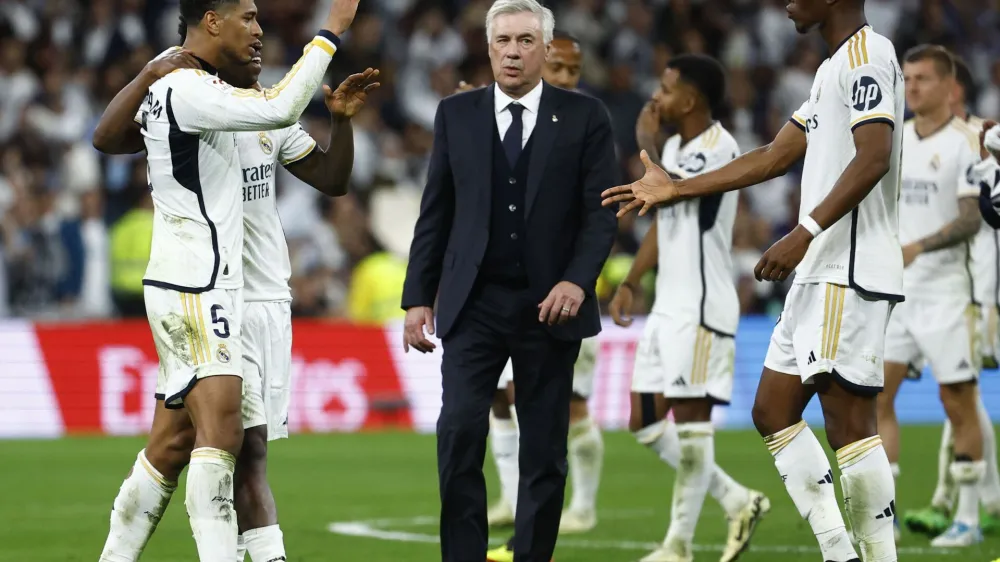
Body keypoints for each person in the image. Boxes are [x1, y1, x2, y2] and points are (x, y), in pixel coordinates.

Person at [603, 1, 904, 560]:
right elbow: (773, 155)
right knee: (771, 409)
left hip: (847, 262)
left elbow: (875, 156)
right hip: (818, 268)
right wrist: (677, 188)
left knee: (848, 421)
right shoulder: (831, 68)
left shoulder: (868, 55)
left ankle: (877, 556)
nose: (787, 2)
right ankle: (839, 552)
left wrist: (805, 229)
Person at [92, 0, 361, 558]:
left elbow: (330, 177)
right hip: (198, 286)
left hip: (242, 291)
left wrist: (341, 120)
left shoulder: (246, 107)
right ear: (212, 21)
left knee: (179, 445)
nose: (260, 32)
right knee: (224, 440)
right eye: (249, 19)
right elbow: (109, 136)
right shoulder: (183, 87)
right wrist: (331, 33)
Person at [400, 0, 617, 559]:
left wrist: (576, 281)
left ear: (546, 49)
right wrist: (416, 297)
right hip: (473, 304)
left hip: (552, 306)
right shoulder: (456, 114)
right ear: (488, 47)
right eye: (503, 41)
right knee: (459, 433)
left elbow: (599, 215)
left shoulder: (586, 116)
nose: (514, 51)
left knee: (544, 452)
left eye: (525, 40)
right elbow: (436, 212)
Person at [609, 55, 770, 562]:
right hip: (668, 310)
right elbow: (663, 215)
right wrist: (633, 279)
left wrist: (644, 139)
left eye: (667, 87)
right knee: (644, 423)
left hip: (702, 309)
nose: (657, 96)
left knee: (693, 432)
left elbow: (671, 192)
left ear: (692, 99)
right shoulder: (677, 145)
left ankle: (677, 545)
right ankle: (738, 499)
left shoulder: (718, 147)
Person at [481, 31, 605, 541]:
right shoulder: (509, 120)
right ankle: (511, 498)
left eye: (575, 72)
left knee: (564, 408)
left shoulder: (586, 127)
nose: (567, 80)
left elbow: (599, 215)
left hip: (565, 293)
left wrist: (580, 279)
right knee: (499, 397)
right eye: (561, 70)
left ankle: (584, 505)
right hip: (506, 297)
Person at [871, 44, 987, 548]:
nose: (911, 87)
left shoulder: (970, 141)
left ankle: (967, 516)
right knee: (879, 397)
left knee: (957, 402)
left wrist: (919, 245)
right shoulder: (895, 141)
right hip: (898, 294)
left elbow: (972, 216)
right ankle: (886, 511)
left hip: (948, 294)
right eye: (907, 78)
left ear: (948, 86)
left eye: (921, 79)